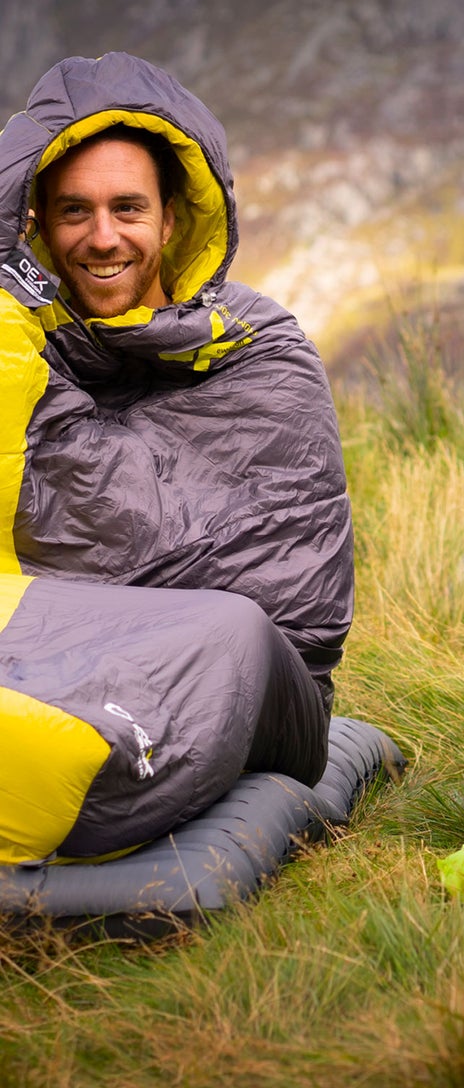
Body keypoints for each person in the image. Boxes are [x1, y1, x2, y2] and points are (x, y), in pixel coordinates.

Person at [0, 51, 353, 862]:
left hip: (264, 675)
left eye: (128, 208)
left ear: (170, 220)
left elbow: (112, 533)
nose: (102, 237)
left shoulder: (260, 351)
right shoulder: (31, 346)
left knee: (228, 626)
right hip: (76, 640)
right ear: (39, 229)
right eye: (72, 212)